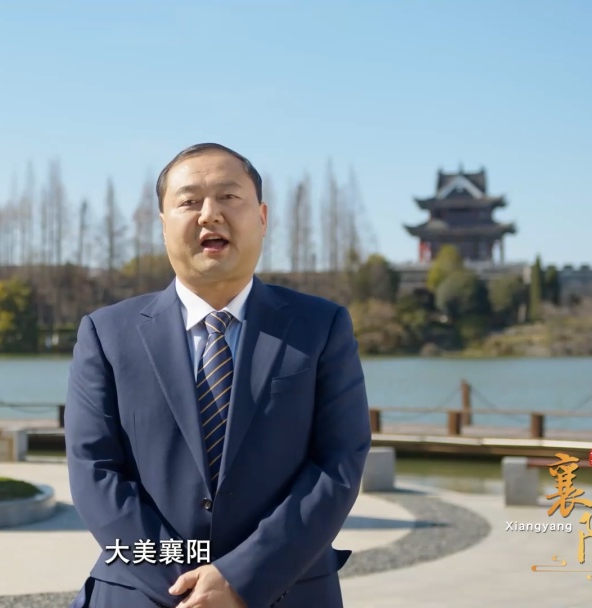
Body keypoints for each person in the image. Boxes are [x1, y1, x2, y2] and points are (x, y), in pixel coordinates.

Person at [65, 143, 371, 608]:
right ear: (163, 223)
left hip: (287, 590)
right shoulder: (107, 334)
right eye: (189, 201)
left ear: (262, 217)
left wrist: (241, 579)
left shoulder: (321, 327)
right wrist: (188, 588)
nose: (210, 215)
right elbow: (94, 470)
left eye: (229, 197)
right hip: (143, 593)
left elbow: (339, 463)